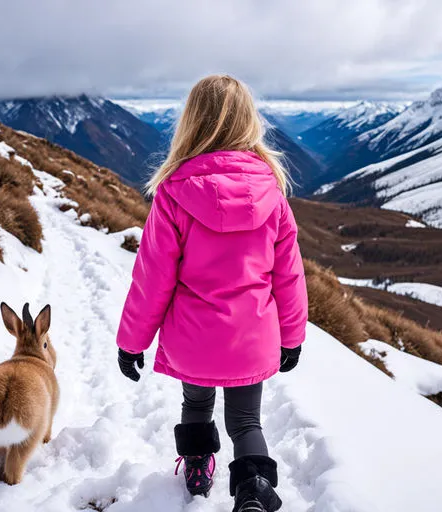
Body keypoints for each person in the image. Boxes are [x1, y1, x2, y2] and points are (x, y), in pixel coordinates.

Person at [115, 75, 308, 512]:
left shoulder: (173, 193)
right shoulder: (272, 193)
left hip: (193, 337)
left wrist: (132, 343)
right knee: (245, 420)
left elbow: (152, 278)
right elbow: (289, 275)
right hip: (252, 337)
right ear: (248, 122)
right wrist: (292, 336)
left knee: (196, 403)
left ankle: (199, 467)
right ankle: (252, 489)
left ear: (192, 123)